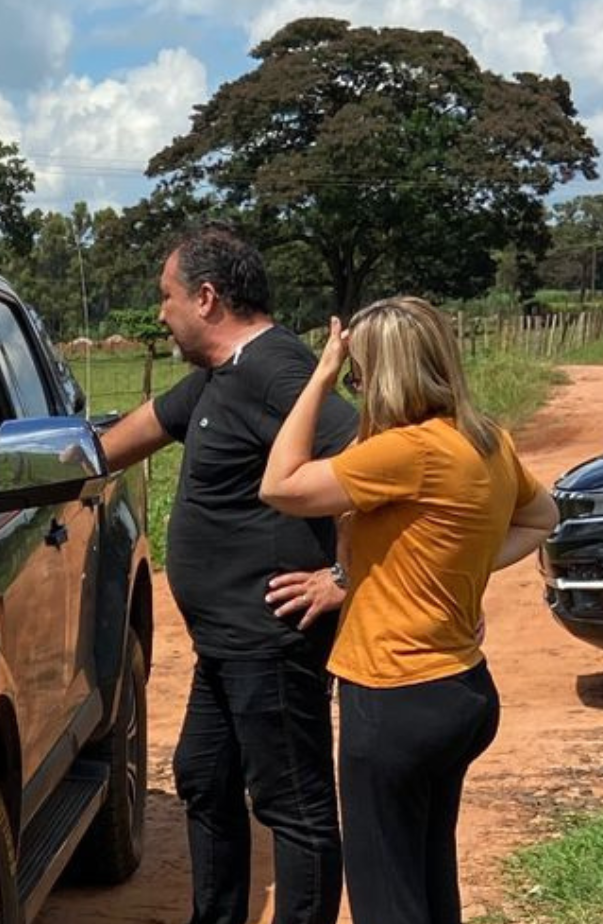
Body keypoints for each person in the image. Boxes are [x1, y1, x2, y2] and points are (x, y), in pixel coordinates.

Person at [259, 296, 558, 924]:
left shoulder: (407, 453)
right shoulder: (485, 440)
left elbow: (280, 485)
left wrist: (317, 377)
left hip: (392, 696)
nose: (354, 385)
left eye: (358, 374)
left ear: (385, 373)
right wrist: (459, 578)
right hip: (462, 690)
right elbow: (542, 517)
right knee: (426, 881)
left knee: (385, 902)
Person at [101, 225, 356, 924]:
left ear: (207, 298)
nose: (161, 312)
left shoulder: (276, 371)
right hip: (225, 642)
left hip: (268, 640)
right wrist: (20, 471)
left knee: (293, 806)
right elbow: (121, 442)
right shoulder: (221, 376)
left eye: (167, 296)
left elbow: (374, 460)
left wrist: (342, 575)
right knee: (205, 777)